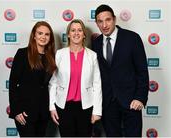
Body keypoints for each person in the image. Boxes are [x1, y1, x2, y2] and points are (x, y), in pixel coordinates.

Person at [92, 4, 149, 137]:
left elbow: (142, 71)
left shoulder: (132, 38)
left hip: (131, 102)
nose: (104, 25)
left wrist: (140, 98)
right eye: (100, 21)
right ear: (96, 23)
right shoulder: (96, 43)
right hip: (108, 104)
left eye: (108, 20)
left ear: (115, 19)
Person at [49, 19, 102, 137]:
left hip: (86, 107)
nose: (76, 33)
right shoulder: (60, 54)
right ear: (68, 34)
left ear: (84, 35)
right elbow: (53, 82)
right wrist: (52, 107)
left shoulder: (92, 56)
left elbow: (97, 84)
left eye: (79, 30)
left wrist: (97, 111)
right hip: (64, 107)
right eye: (73, 30)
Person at [8, 21, 57, 137]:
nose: (43, 37)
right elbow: (13, 83)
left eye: (47, 34)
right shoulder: (22, 54)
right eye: (40, 33)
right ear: (34, 36)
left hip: (43, 113)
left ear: (50, 38)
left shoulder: (52, 57)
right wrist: (16, 110)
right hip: (25, 112)